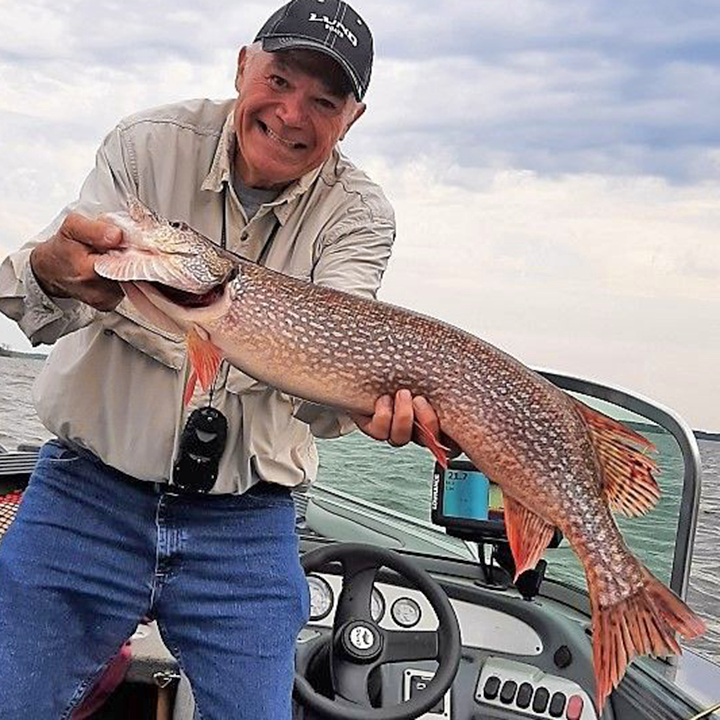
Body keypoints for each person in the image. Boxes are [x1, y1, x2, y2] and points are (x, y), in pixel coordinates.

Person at [0, 1, 444, 718]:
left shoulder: (359, 214)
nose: (292, 114)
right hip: (88, 493)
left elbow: (331, 369)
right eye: (279, 80)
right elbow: (65, 293)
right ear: (243, 66)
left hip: (247, 524)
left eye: (324, 100)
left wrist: (375, 408)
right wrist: (52, 269)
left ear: (352, 118)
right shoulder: (147, 144)